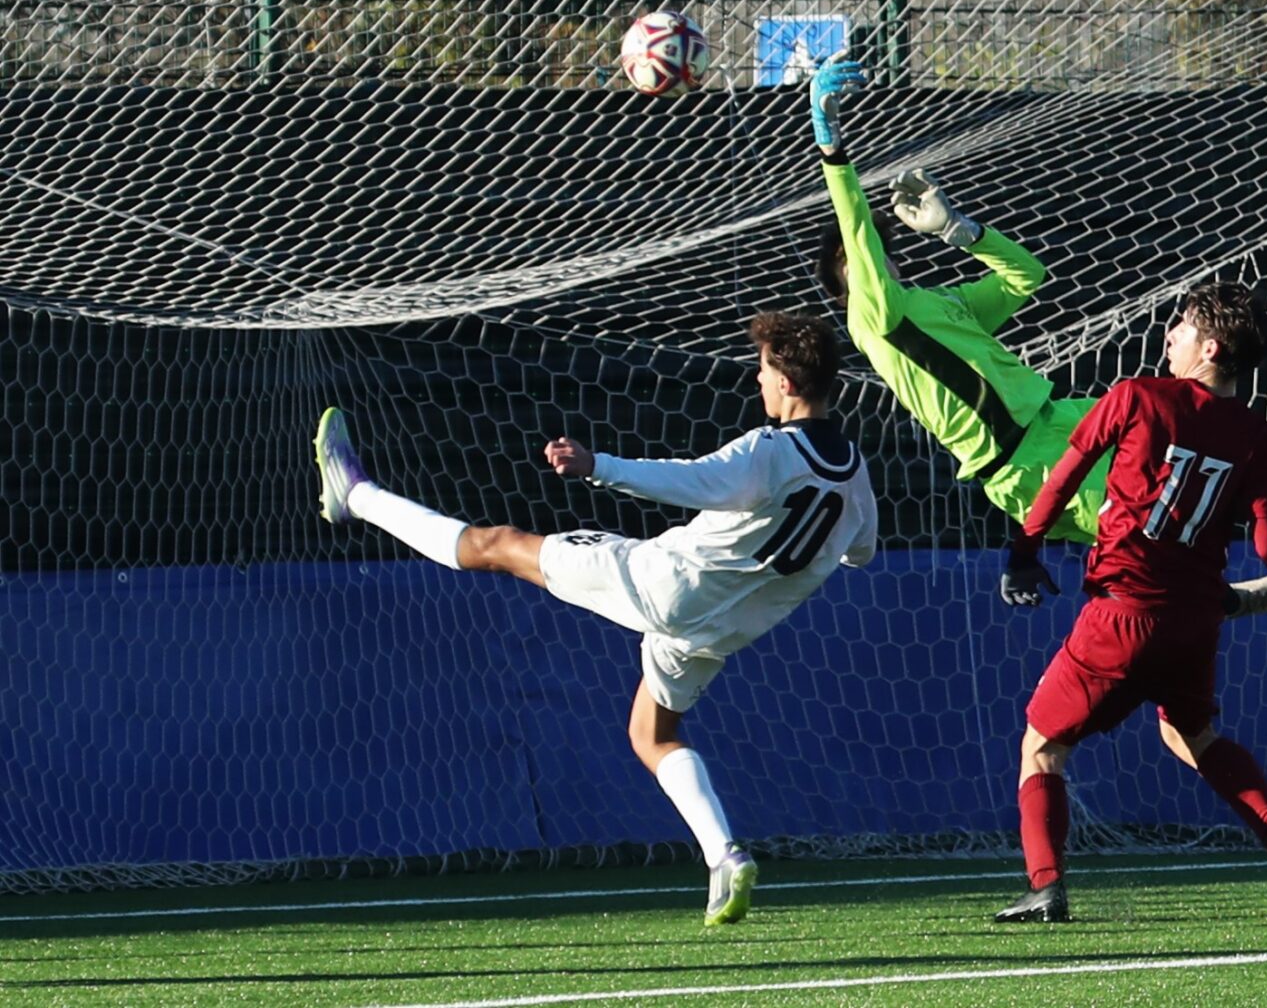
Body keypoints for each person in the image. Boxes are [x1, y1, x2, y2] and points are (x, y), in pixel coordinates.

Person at [806, 51, 1267, 616]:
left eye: (874, 254)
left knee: (1212, 449)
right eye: (855, 263)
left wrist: (958, 231)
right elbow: (856, 231)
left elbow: (1026, 276)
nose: (870, 259)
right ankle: (1228, 598)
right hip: (1023, 465)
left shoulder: (937, 303)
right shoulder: (873, 320)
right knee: (1152, 535)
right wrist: (834, 152)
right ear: (847, 285)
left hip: (1065, 418)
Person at [312, 311, 878, 927]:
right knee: (652, 735)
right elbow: (861, 550)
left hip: (660, 584)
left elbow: (692, 480)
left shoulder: (768, 450)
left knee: (498, 544)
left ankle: (356, 494)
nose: (759, 382)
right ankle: (724, 855)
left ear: (788, 385)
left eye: (764, 372)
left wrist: (597, 466)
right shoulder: (853, 473)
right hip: (717, 632)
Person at [996, 282, 1267, 922]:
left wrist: (1023, 550)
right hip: (1194, 625)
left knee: (1041, 746)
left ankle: (1046, 885)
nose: (1169, 335)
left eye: (1181, 326)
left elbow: (1067, 474)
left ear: (1210, 348)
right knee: (1195, 735)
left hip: (1120, 614)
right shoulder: (1258, 437)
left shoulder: (1136, 396)